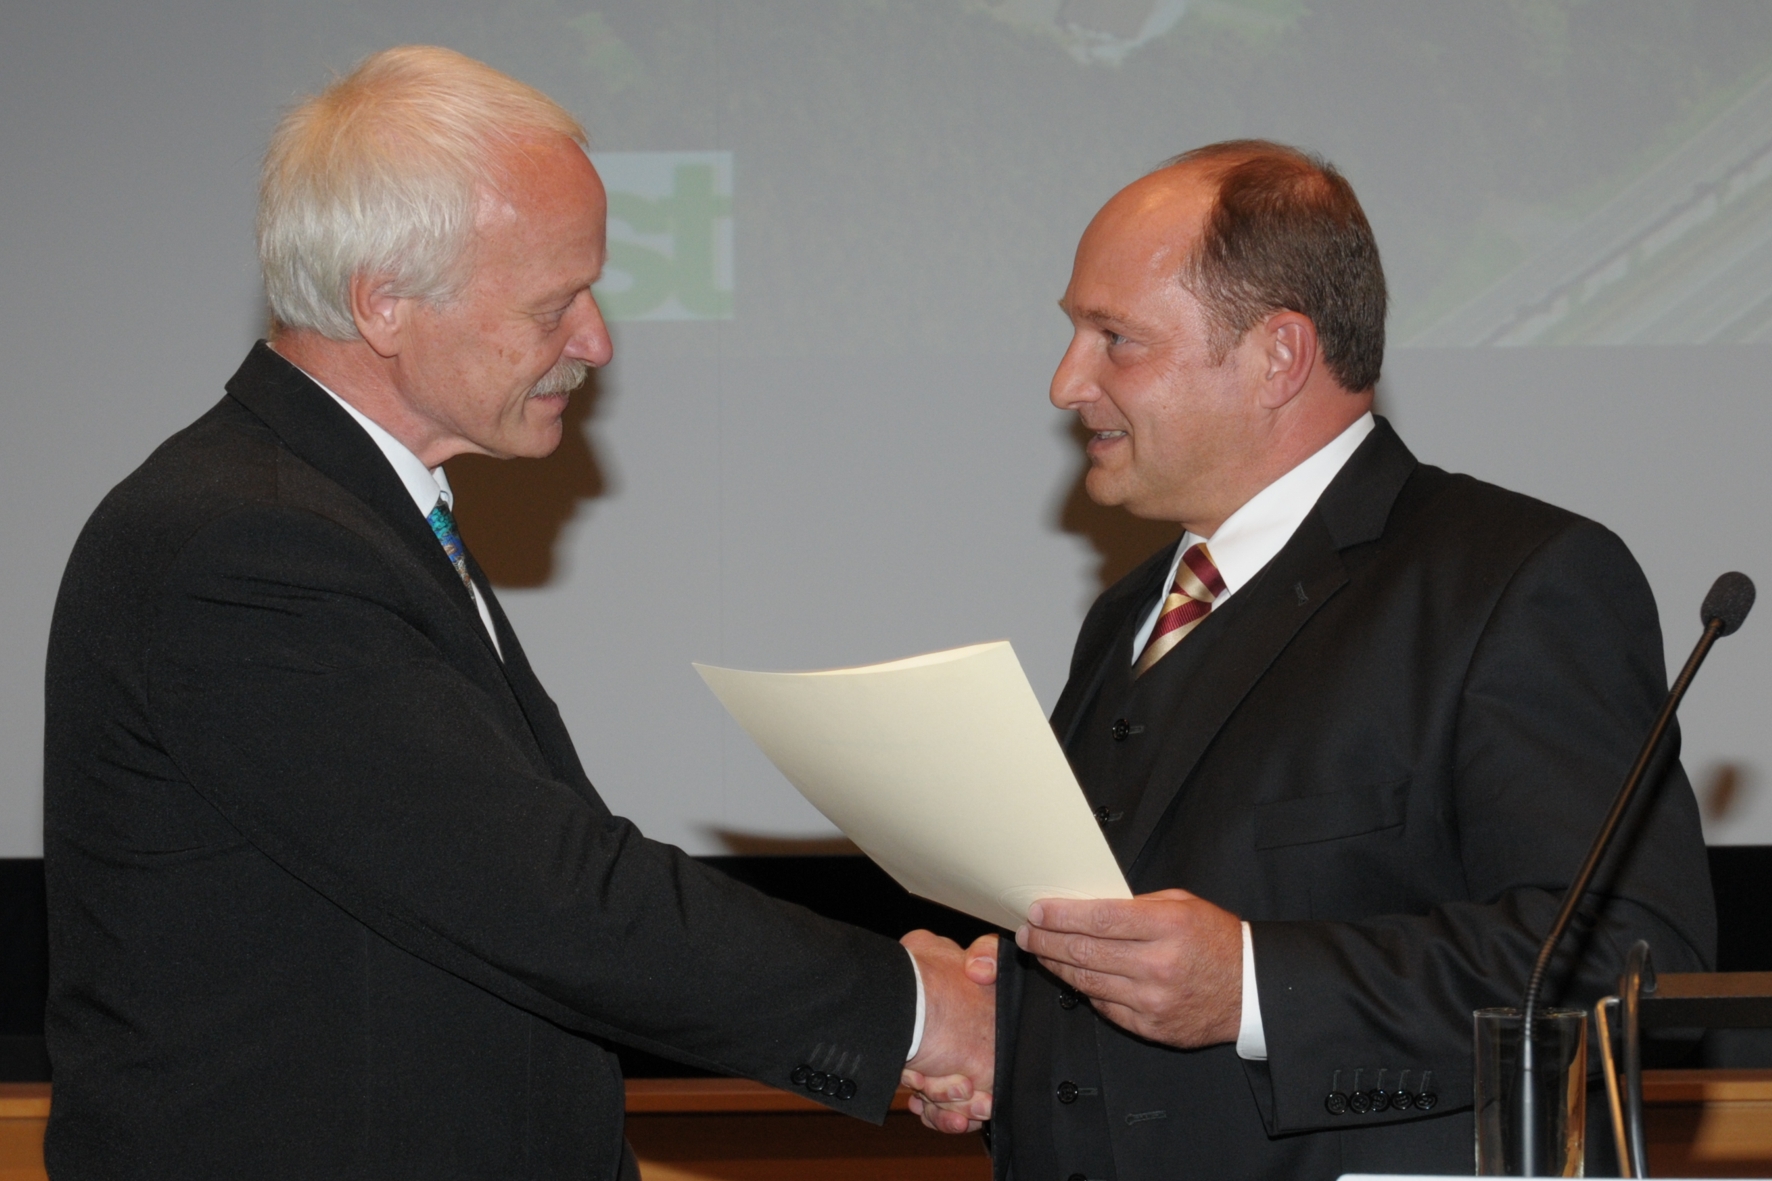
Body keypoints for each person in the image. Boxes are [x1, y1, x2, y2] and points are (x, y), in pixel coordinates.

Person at [42, 46, 992, 1180]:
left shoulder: (343, 507)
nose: (594, 340)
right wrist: (913, 1007)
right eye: (554, 302)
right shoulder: (243, 546)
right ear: (383, 300)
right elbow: (546, 894)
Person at [956, 141, 1715, 1178]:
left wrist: (1259, 987)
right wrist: (1016, 1009)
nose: (1064, 382)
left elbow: (1633, 959)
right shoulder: (1132, 610)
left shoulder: (1513, 578)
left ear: (1277, 353)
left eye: (1114, 338)